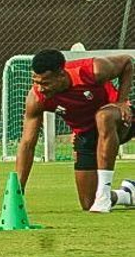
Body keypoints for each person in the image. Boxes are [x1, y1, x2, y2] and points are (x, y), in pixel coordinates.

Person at [15, 48, 135, 213]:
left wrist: (122, 101)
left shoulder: (93, 70)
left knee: (103, 117)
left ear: (61, 74)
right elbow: (27, 144)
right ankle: (127, 194)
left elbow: (127, 62)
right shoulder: (37, 98)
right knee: (88, 203)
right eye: (35, 81)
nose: (40, 88)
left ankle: (104, 193)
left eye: (45, 83)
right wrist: (17, 193)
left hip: (119, 121)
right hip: (87, 136)